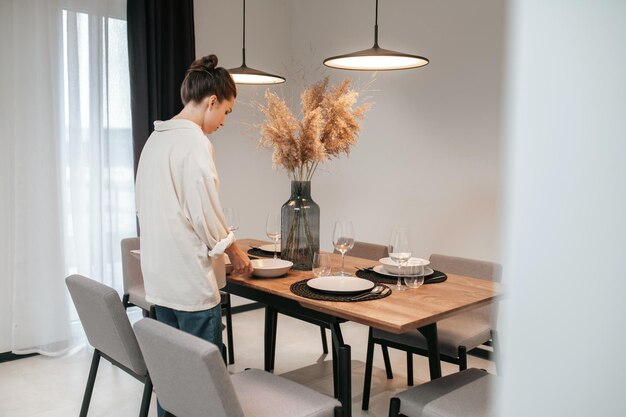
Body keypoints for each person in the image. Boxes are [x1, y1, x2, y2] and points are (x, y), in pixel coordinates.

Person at [135, 54, 252, 375]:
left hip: (159, 281)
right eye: (226, 111)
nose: (224, 121)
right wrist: (235, 251)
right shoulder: (194, 142)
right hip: (189, 285)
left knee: (173, 378)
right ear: (211, 102)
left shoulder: (154, 140)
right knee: (203, 385)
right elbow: (205, 213)